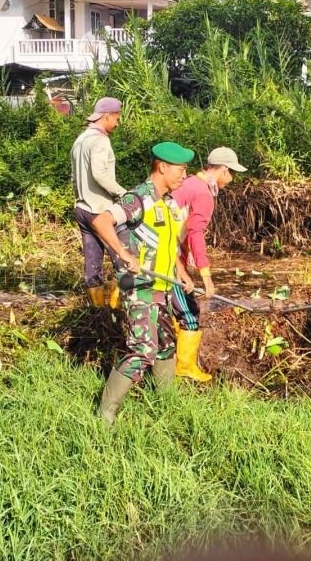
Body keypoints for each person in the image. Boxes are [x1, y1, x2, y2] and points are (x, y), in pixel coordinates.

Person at [91, 142, 196, 427]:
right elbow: (102, 221)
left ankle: (166, 407)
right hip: (139, 286)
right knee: (143, 349)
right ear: (162, 166)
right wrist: (123, 253)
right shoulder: (139, 198)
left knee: (165, 345)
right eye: (181, 169)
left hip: (160, 286)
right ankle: (105, 417)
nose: (184, 174)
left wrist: (182, 273)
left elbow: (169, 244)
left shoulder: (169, 202)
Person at [170, 147, 247, 382]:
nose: (231, 179)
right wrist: (205, 275)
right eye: (231, 173)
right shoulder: (203, 192)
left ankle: (172, 356)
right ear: (222, 169)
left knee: (168, 307)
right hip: (164, 254)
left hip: (158, 248)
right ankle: (184, 366)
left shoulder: (190, 182)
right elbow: (195, 232)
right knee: (190, 312)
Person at [70, 97, 127, 309]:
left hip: (82, 208)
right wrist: (125, 195)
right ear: (107, 116)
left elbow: (75, 178)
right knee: (123, 260)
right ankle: (116, 311)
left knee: (92, 264)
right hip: (99, 210)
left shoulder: (81, 139)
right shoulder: (100, 140)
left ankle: (96, 312)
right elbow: (101, 175)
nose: (118, 123)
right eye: (117, 118)